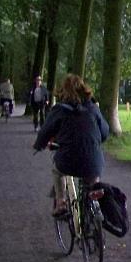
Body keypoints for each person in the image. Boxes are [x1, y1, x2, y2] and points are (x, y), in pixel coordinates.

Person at [33, 74, 110, 216]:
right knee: (92, 175)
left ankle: (61, 203)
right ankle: (94, 202)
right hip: (93, 161)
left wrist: (39, 145)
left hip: (68, 161)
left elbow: (45, 131)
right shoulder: (93, 108)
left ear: (63, 91)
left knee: (57, 172)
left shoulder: (59, 110)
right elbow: (105, 132)